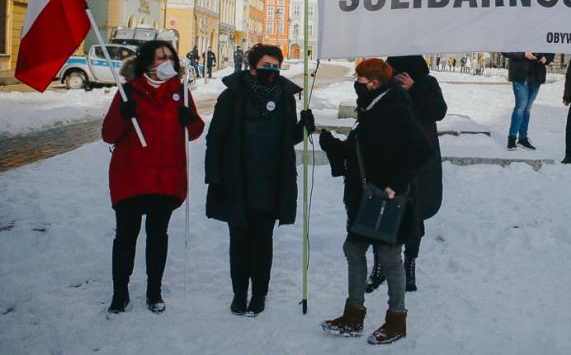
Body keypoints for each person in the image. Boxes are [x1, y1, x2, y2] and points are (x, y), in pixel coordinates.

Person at [318, 58, 434, 345]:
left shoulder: (394, 106)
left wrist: (396, 184)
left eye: (359, 80)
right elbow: (357, 152)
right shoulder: (372, 106)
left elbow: (422, 149)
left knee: (389, 258)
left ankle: (397, 320)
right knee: (354, 249)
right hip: (366, 197)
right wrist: (325, 139)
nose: (356, 84)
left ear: (374, 83)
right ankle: (354, 315)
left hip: (387, 199)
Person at [204, 44, 315, 316]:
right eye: (267, 65)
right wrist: (214, 177)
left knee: (263, 242)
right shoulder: (232, 96)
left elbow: (288, 138)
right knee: (239, 241)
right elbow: (215, 138)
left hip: (270, 182)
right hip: (237, 180)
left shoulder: (285, 96)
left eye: (276, 66)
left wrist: (303, 127)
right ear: (253, 66)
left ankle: (259, 295)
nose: (272, 70)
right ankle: (239, 294)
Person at [101, 40, 205, 314]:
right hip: (131, 177)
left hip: (165, 178)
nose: (167, 62)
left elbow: (194, 132)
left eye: (170, 57)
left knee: (157, 236)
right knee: (126, 237)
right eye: (160, 57)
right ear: (147, 62)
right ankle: (120, 292)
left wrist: (189, 118)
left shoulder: (181, 92)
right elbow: (109, 135)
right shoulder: (127, 92)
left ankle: (154, 292)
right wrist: (124, 116)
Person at [364, 56, 447, 294]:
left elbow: (438, 111)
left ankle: (409, 264)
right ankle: (380, 265)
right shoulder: (383, 79)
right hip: (388, 157)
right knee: (382, 212)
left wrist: (415, 87)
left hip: (418, 161)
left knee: (415, 213)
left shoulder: (427, 82)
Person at [502, 51, 555, 150]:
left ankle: (522, 138)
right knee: (521, 106)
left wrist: (546, 58)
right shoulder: (515, 35)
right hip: (520, 73)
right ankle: (512, 138)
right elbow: (505, 50)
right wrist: (523, 54)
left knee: (527, 108)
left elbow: (551, 48)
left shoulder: (542, 35)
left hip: (537, 75)